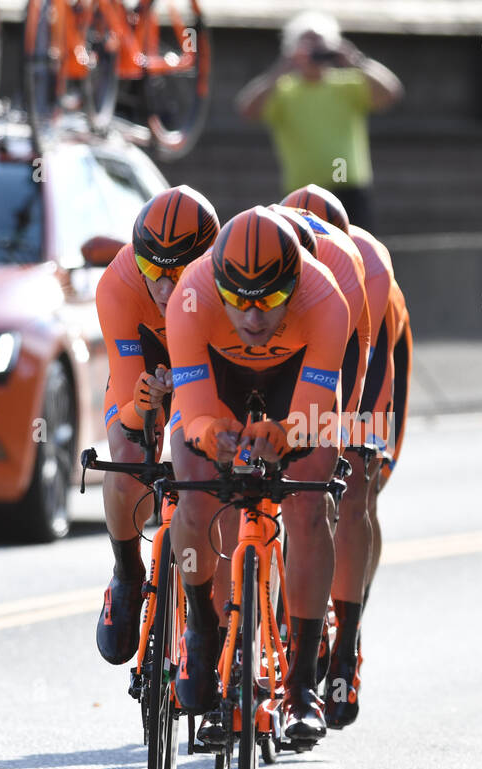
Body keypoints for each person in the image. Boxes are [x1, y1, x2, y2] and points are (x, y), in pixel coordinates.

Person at [166, 206, 350, 742]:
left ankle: (300, 687)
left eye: (269, 300)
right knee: (195, 496)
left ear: (292, 286)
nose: (252, 317)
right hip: (218, 381)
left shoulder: (326, 299)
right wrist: (211, 435)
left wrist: (286, 434)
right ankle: (202, 630)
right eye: (238, 301)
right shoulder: (191, 298)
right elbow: (196, 412)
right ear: (217, 285)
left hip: (293, 384)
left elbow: (314, 415)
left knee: (311, 506)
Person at [281, 183, 411, 729]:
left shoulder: (368, 269)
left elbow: (354, 368)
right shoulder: (269, 261)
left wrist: (341, 437)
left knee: (354, 477)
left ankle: (347, 639)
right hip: (294, 343)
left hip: (371, 347)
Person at [93, 185, 219, 669]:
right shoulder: (118, 284)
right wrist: (141, 406)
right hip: (146, 367)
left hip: (205, 369)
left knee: (216, 478)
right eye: (152, 271)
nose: (164, 288)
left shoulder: (222, 281)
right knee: (128, 454)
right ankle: (126, 573)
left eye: (179, 273)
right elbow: (127, 397)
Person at [234, 10, 403, 231]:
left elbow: (392, 92)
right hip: (301, 195)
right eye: (308, 44)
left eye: (320, 44)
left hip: (348, 190)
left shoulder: (348, 85)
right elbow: (246, 109)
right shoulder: (283, 91)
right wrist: (282, 67)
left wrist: (357, 60)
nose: (315, 51)